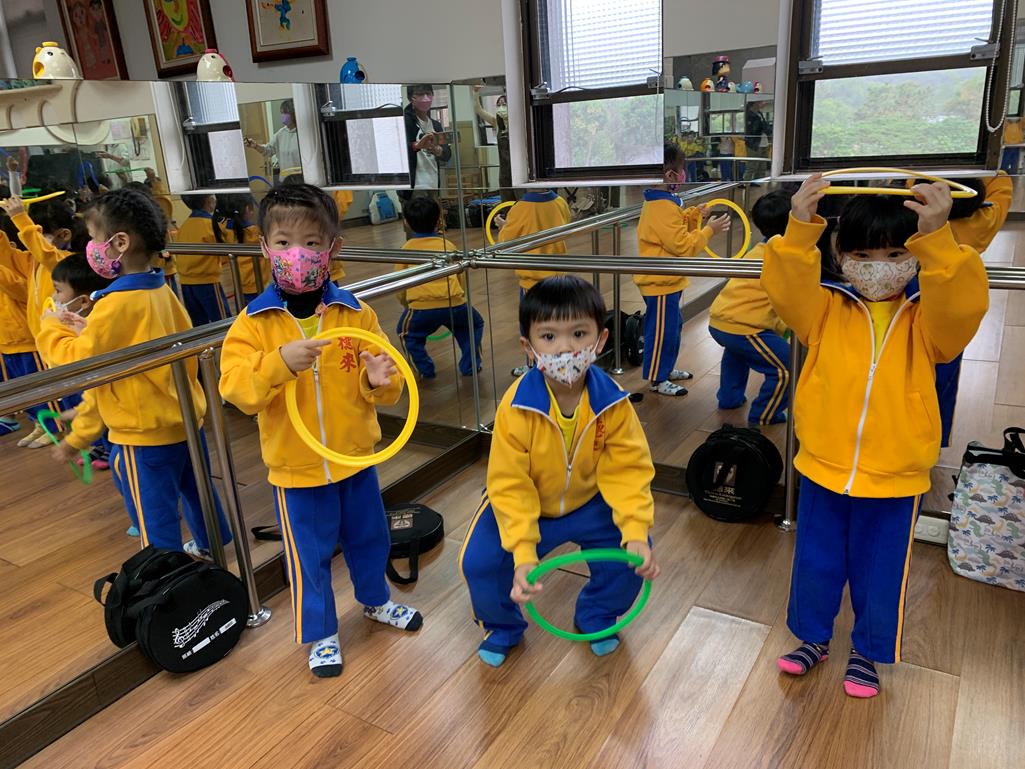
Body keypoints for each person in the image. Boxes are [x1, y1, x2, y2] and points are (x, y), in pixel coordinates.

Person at [764, 175, 988, 699]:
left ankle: (866, 650)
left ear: (914, 255)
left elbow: (962, 310)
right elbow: (785, 288)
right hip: (823, 465)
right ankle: (813, 638)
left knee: (881, 570)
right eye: (862, 254)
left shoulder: (927, 317)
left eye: (895, 253)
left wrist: (937, 239)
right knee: (815, 560)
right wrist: (799, 229)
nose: (878, 266)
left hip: (896, 474)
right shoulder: (824, 308)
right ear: (840, 254)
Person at [219, 183, 423, 678]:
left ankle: (376, 600)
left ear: (333, 247)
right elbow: (237, 390)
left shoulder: (357, 313)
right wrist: (278, 363)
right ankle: (321, 631)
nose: (298, 253)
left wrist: (379, 381)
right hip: (297, 470)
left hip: (355, 459)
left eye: (312, 243)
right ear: (265, 248)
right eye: (284, 242)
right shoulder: (253, 323)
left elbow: (388, 383)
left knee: (370, 538)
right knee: (308, 557)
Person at [459, 275, 660, 668]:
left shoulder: (614, 403)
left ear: (600, 340)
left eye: (579, 334)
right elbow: (510, 482)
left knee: (631, 557)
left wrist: (636, 531)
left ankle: (597, 615)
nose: (565, 348)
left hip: (590, 501)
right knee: (480, 562)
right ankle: (502, 626)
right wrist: (523, 551)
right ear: (528, 347)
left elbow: (629, 469)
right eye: (549, 337)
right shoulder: (516, 407)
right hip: (528, 504)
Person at [38, 188, 233, 558]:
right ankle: (212, 544)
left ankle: (166, 571)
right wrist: (89, 329)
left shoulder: (114, 305)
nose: (90, 247)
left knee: (154, 511)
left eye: (94, 238)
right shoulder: (162, 290)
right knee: (197, 489)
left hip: (143, 434)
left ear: (119, 242)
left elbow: (77, 362)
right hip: (184, 419)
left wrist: (51, 326)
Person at [635, 143, 730, 396]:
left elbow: (674, 229)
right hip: (660, 284)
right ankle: (657, 378)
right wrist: (708, 231)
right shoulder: (661, 207)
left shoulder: (664, 203)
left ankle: (665, 369)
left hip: (668, 281)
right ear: (670, 175)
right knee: (661, 333)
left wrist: (693, 215)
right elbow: (683, 246)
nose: (683, 174)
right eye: (681, 169)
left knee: (672, 328)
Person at [935, 172, 1012, 448]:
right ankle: (936, 437)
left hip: (908, 301)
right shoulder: (985, 220)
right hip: (950, 312)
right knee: (943, 378)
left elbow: (910, 182)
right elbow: (1001, 184)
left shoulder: (911, 219)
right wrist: (985, 167)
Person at [708, 190, 792, 426]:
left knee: (737, 354)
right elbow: (789, 298)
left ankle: (729, 398)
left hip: (720, 320)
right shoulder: (785, 256)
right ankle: (765, 414)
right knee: (787, 368)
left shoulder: (759, 249)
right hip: (745, 326)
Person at [0, 196, 80, 446]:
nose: (29, 240)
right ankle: (53, 427)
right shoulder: (32, 261)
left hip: (64, 340)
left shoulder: (63, 260)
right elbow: (7, 256)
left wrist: (20, 219)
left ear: (63, 234)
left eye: (37, 234)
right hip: (44, 340)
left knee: (68, 393)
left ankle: (71, 433)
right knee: (47, 391)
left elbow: (46, 254)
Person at [395, 197, 484, 379]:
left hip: (421, 308)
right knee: (473, 325)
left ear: (406, 223)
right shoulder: (448, 245)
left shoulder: (406, 249)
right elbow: (459, 275)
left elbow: (400, 284)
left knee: (406, 334)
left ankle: (425, 370)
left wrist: (406, 304)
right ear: (439, 220)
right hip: (455, 303)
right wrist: (460, 298)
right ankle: (470, 366)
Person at [495, 188, 572, 376]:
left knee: (531, 327)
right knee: (556, 324)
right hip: (558, 278)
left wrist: (503, 226)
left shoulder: (521, 207)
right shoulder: (560, 202)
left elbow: (506, 242)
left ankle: (534, 367)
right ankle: (559, 364)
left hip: (532, 282)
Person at [49, 252, 115, 470]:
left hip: (138, 436)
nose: (55, 298)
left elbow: (102, 390)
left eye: (58, 290)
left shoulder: (96, 335)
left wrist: (74, 442)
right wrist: (81, 409)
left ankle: (107, 449)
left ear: (84, 301)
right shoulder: (96, 323)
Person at [175, 193, 234, 326]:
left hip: (186, 283)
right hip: (207, 281)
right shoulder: (211, 225)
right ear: (209, 200)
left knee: (199, 324)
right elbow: (226, 251)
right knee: (222, 321)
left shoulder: (184, 226)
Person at [402, 84, 451, 201]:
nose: (425, 98)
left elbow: (447, 154)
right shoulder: (405, 121)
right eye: (420, 94)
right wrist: (417, 145)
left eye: (428, 94)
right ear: (410, 98)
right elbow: (396, 150)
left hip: (433, 183)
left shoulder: (436, 125)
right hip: (415, 185)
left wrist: (439, 151)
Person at [223, 193, 268, 307]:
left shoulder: (227, 231)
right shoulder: (256, 231)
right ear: (248, 209)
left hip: (239, 283)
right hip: (257, 284)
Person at [244, 99, 302, 183]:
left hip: (301, 180)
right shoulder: (280, 134)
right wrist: (256, 146)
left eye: (285, 113)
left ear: (294, 114)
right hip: (285, 181)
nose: (283, 116)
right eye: (282, 113)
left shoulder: (303, 133)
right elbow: (268, 150)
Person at [472, 85, 513, 202]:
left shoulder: (518, 122)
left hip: (518, 169)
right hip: (504, 170)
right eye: (498, 105)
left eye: (504, 104)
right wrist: (476, 93)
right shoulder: (496, 123)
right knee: (506, 199)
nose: (501, 108)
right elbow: (478, 110)